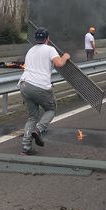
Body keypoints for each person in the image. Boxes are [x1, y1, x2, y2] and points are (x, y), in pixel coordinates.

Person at [18, 27, 70, 155]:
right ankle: (39, 129)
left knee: (32, 116)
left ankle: (26, 147)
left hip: (24, 84)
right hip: (40, 86)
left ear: (36, 39)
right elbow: (59, 64)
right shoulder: (50, 49)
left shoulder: (30, 50)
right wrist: (65, 57)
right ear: (47, 39)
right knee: (51, 109)